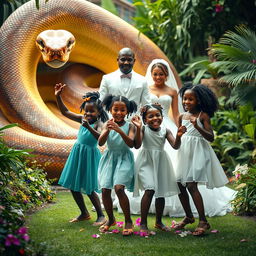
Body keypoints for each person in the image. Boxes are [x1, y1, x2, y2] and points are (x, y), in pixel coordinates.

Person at [121, 59, 235, 219]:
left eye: (161, 74)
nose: (158, 77)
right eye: (155, 74)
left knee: (180, 175)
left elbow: (175, 114)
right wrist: (141, 124)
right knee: (170, 177)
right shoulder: (146, 89)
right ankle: (164, 210)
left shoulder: (173, 92)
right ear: (151, 75)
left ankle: (190, 214)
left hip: (168, 125)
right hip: (150, 124)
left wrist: (179, 129)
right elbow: (144, 110)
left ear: (166, 75)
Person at [174, 83, 230, 236]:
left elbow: (211, 137)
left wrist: (197, 127)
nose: (186, 102)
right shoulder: (181, 117)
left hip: (198, 153)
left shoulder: (203, 116)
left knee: (192, 185)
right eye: (184, 99)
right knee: (179, 184)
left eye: (190, 99)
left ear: (198, 101)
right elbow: (177, 143)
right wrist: (178, 135)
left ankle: (203, 221)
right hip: (184, 153)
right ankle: (189, 216)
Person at [55, 83, 108, 226]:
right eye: (86, 112)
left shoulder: (100, 123)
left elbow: (101, 140)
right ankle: (84, 213)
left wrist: (88, 127)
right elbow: (65, 112)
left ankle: (101, 216)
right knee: (73, 185)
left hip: (90, 156)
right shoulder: (82, 119)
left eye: (92, 112)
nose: (88, 114)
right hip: (77, 153)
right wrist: (58, 96)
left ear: (99, 112)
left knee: (89, 187)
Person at [132, 104, 186, 236]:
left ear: (162, 117)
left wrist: (178, 136)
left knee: (160, 192)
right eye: (150, 116)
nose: (155, 118)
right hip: (146, 162)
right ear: (145, 120)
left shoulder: (165, 130)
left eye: (158, 115)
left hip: (161, 162)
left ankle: (158, 222)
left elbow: (175, 146)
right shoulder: (143, 129)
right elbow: (137, 145)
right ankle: (143, 223)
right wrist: (139, 129)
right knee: (149, 189)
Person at [98, 94, 137, 236]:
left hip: (125, 158)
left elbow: (131, 144)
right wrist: (108, 129)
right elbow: (100, 143)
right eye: (115, 109)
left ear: (127, 111)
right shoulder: (106, 124)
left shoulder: (131, 126)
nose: (119, 113)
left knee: (119, 188)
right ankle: (111, 220)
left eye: (122, 110)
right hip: (109, 158)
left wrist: (119, 130)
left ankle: (128, 221)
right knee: (105, 190)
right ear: (110, 109)